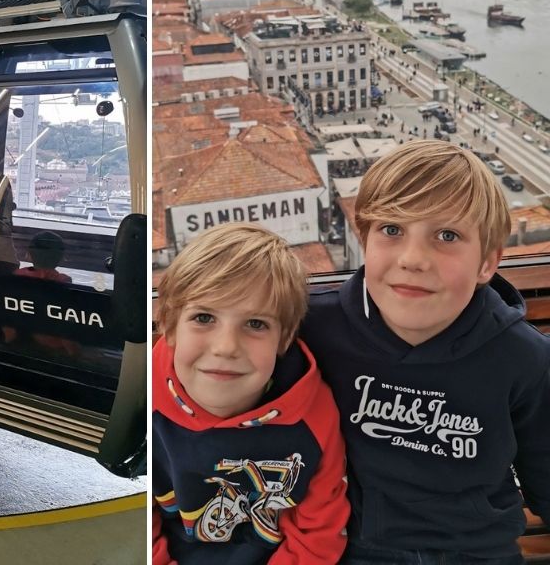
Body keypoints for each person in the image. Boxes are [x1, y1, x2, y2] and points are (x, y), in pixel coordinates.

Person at [302, 140, 550, 563]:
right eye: (392, 230)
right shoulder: (314, 329)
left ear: (487, 264)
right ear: (365, 239)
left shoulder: (523, 358)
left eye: (447, 235)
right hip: (355, 551)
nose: (413, 258)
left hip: (478, 552)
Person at [153, 223, 349, 564]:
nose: (226, 347)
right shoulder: (147, 402)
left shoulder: (314, 416)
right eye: (204, 317)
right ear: (169, 326)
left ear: (284, 340)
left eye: (256, 324)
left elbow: (318, 535)